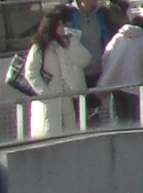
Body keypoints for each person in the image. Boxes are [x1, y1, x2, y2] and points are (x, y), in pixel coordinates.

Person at [16, 9, 90, 140]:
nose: (63, 28)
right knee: (50, 133)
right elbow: (30, 72)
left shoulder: (63, 46)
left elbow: (76, 64)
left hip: (65, 96)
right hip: (48, 99)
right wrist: (45, 92)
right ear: (52, 27)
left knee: (69, 133)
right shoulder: (39, 47)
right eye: (60, 25)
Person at [96, 8, 143, 127]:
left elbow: (105, 58)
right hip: (138, 87)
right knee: (136, 123)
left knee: (119, 123)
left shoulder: (118, 37)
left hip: (116, 85)